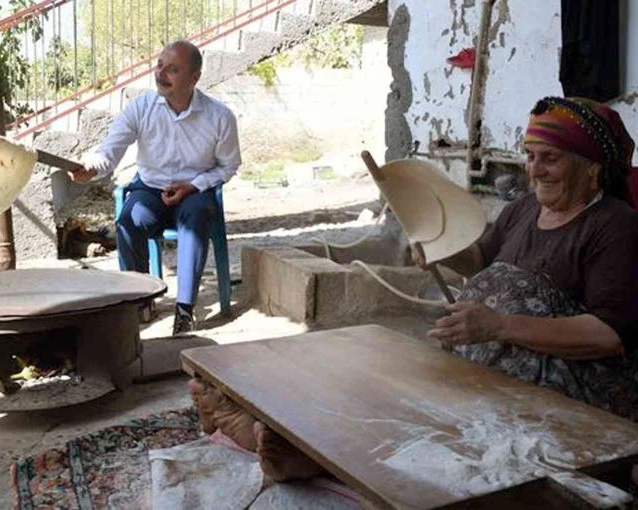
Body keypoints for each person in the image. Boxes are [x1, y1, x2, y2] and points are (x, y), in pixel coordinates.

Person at [188, 96, 638, 482]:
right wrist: (442, 253)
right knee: (390, 383)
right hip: (493, 356)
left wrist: (499, 326)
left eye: (550, 158)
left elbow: (608, 335)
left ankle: (307, 460)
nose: (534, 170)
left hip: (570, 385)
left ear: (592, 168)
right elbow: (481, 261)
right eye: (530, 155)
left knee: (439, 424)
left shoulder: (615, 227)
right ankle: (291, 439)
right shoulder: (524, 209)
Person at [69, 40, 242, 335]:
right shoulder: (141, 107)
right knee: (129, 221)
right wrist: (91, 168)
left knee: (197, 217)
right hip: (150, 190)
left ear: (194, 78)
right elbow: (110, 150)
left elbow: (229, 165)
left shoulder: (219, 116)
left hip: (193, 192)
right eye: (159, 65)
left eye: (172, 69)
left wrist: (194, 185)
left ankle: (185, 310)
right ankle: (139, 301)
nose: (161, 74)